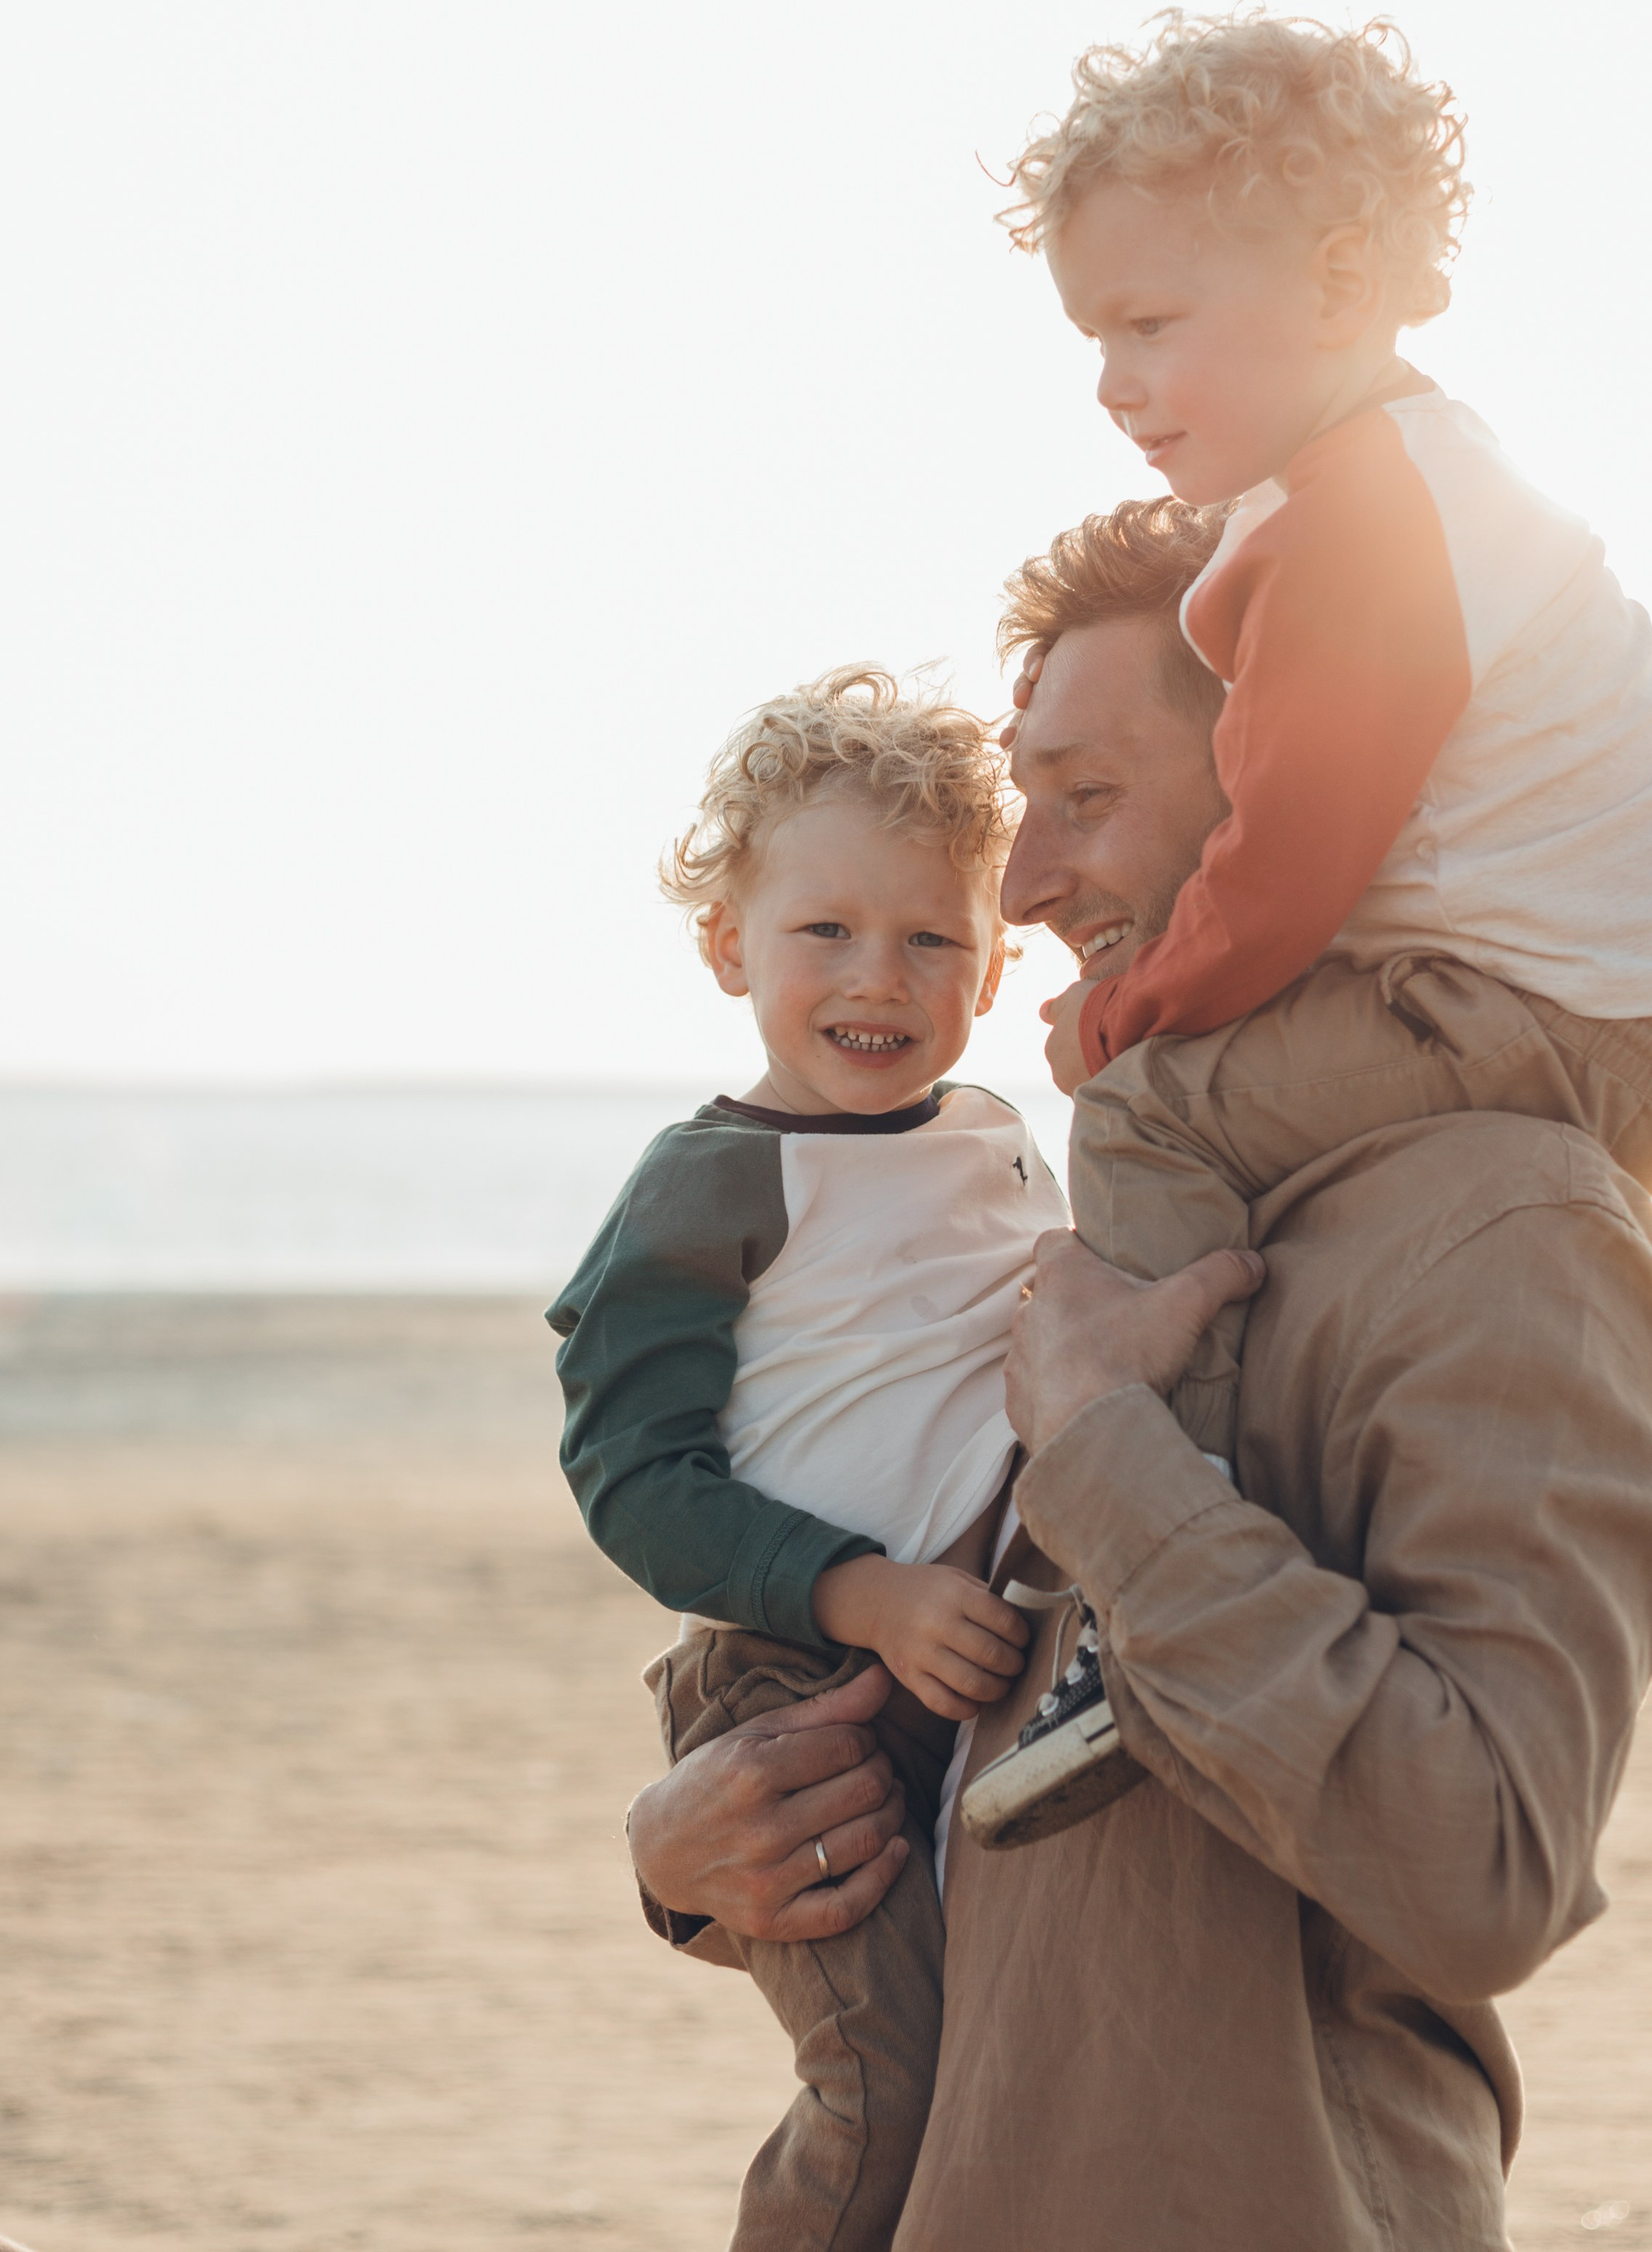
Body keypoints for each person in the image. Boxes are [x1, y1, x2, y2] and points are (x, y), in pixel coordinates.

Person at [626, 503, 1652, 2251]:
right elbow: (953, 1726)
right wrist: (691, 1853)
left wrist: (1098, 1450)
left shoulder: (1512, 1230)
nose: (1019, 887)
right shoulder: (1102, 1227)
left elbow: (1480, 1870)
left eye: (1085, 800)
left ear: (1290, 795)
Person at [963, 9, 1652, 1842]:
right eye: (1093, 337)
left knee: (1157, 1106)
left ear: (1338, 282)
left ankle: (1140, 1557)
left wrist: (1123, 1018)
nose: (1111, 379)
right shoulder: (1399, 484)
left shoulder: (1363, 524)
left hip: (1586, 1017)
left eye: (1148, 325)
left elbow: (1282, 872)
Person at [547, 667, 1063, 2252]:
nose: (879, 977)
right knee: (882, 2081)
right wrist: (856, 1596)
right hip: (799, 1683)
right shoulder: (708, 1184)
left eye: (930, 939)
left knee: (1000, 2078)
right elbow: (633, 1478)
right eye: (822, 930)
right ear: (727, 945)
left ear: (990, 965)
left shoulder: (990, 1128)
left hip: (976, 1655)